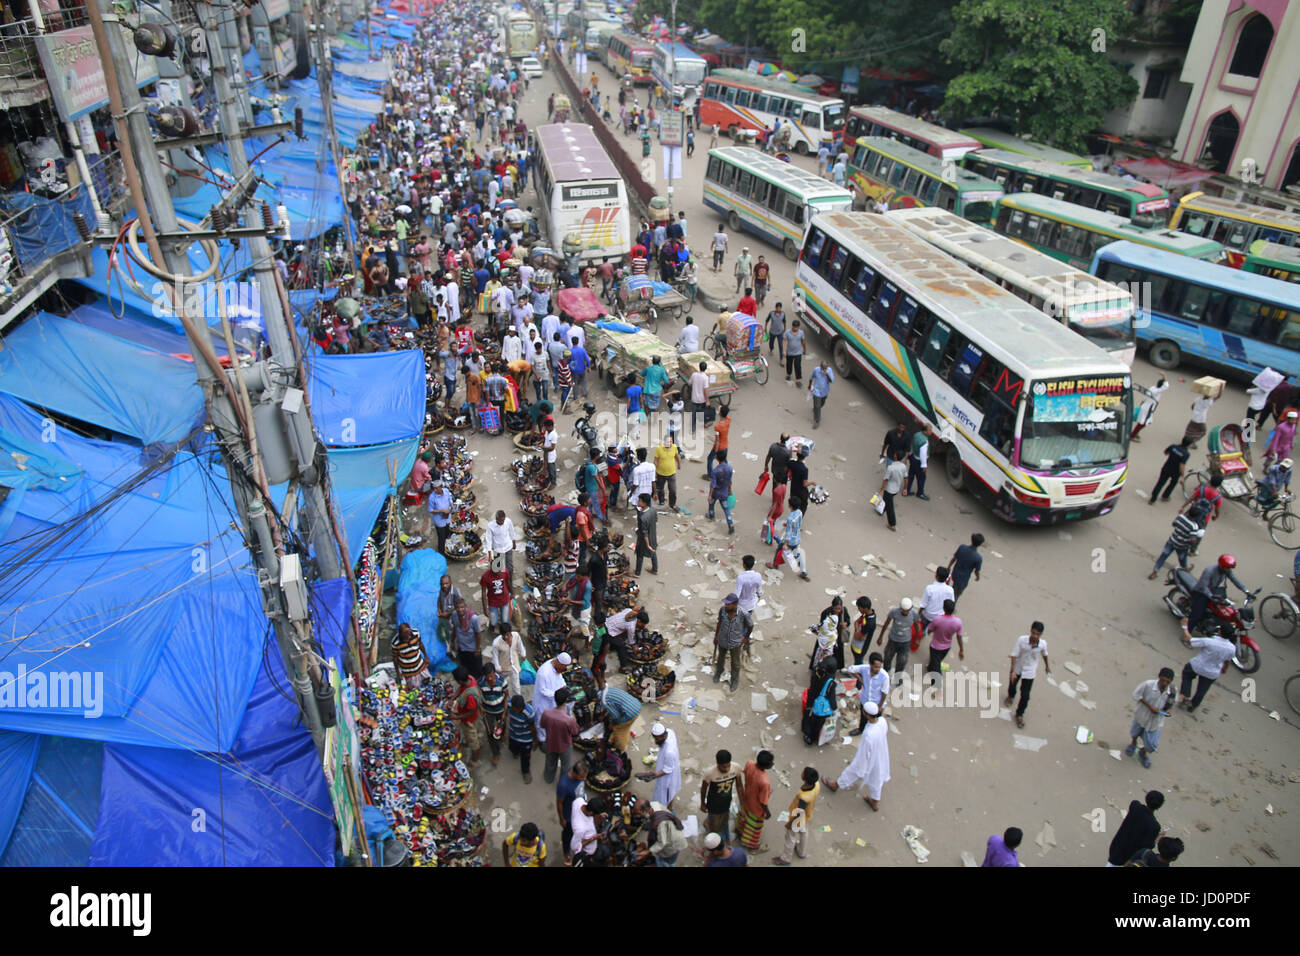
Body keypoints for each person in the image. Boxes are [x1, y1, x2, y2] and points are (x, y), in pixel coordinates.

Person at [824, 701, 890, 810]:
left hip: (868, 757)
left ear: (867, 715)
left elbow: (864, 753)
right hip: (881, 755)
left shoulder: (869, 733)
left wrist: (861, 767)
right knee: (877, 778)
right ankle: (875, 802)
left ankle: (835, 785)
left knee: (852, 771)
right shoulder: (882, 722)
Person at [1176, 616, 1235, 712]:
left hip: (1198, 666)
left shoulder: (1209, 641)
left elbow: (1190, 639)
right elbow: (1228, 660)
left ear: (1220, 631)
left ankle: (1186, 696)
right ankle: (1193, 705)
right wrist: (1224, 668)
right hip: (1212, 672)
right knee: (1202, 690)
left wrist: (1185, 627)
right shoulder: (1232, 648)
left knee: (1187, 674)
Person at [1125, 667, 1177, 769]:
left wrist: (1166, 712)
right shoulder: (1148, 685)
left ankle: (1143, 752)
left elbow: (1170, 707)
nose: (1165, 683)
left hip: (1156, 721)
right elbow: (1136, 695)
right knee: (1135, 732)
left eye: (1168, 681)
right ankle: (1133, 743)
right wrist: (1150, 707)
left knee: (1152, 744)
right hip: (1142, 715)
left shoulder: (1173, 691)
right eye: (1163, 680)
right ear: (1159, 677)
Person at [771, 767, 821, 866]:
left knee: (790, 837)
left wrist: (790, 823)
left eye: (803, 772)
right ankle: (801, 852)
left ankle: (786, 858)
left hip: (797, 819)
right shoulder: (816, 785)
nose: (801, 772)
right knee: (804, 832)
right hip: (807, 816)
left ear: (804, 778)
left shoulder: (804, 797)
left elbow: (799, 812)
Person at [1187, 554, 1249, 633]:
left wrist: (1246, 591)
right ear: (1222, 566)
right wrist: (1211, 597)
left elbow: (1236, 581)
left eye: (1230, 568)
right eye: (1228, 568)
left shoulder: (1226, 571)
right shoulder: (1209, 571)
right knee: (1196, 616)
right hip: (1201, 592)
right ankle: (1186, 635)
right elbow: (1203, 586)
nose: (1229, 570)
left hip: (1213, 592)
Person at [1006, 622, 1050, 729]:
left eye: (1037, 634)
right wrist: (1012, 671)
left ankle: (1019, 714)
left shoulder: (1043, 644)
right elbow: (1014, 655)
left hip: (1030, 671)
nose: (1035, 636)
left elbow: (1045, 654)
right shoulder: (1021, 640)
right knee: (1012, 685)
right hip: (1018, 667)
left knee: (1025, 696)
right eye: (1033, 633)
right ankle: (1011, 696)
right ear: (1030, 630)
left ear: (1041, 634)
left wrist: (1047, 666)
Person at [1106, 790, 1165, 867]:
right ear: (1159, 806)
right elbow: (1147, 846)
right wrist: (1158, 838)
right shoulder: (1154, 826)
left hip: (1117, 846)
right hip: (1129, 856)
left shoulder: (1135, 806)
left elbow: (1136, 802)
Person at [713, 593, 753, 691]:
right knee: (720, 658)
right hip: (722, 639)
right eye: (726, 604)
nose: (726, 606)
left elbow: (750, 625)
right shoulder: (722, 610)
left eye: (728, 604)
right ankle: (718, 672)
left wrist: (745, 638)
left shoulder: (743, 613)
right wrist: (716, 636)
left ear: (734, 604)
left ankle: (734, 680)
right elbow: (719, 622)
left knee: (735, 663)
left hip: (735, 642)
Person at [1149, 510, 1207, 579]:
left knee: (1163, 556)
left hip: (1172, 540)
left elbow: (1173, 524)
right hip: (1182, 546)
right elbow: (1192, 540)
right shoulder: (1194, 526)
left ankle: (1154, 572)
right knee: (1182, 558)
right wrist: (1196, 539)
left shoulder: (1180, 517)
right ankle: (1185, 570)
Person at [540, 686, 580, 784]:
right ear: (566, 700)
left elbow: (543, 725)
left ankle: (548, 778)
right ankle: (562, 782)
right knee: (565, 766)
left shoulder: (546, 713)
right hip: (565, 745)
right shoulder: (569, 720)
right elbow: (575, 732)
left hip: (550, 742)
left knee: (550, 762)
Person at [844, 651, 889, 736]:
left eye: (879, 667)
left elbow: (884, 693)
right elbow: (851, 669)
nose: (878, 669)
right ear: (870, 664)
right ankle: (861, 730)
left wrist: (880, 706)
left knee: (876, 722)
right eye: (876, 667)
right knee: (863, 718)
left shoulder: (884, 676)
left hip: (877, 703)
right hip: (865, 700)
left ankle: (875, 735)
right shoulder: (864, 668)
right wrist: (860, 679)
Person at [700, 750, 741, 842]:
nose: (726, 769)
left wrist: (743, 803)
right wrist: (702, 803)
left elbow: (739, 786)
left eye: (728, 765)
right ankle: (713, 836)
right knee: (715, 827)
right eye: (723, 767)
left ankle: (711, 825)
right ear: (717, 764)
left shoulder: (736, 768)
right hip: (713, 804)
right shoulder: (709, 773)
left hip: (726, 801)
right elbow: (703, 790)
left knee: (724, 820)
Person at [736, 750, 773, 853]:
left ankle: (739, 833)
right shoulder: (764, 782)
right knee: (754, 828)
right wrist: (767, 813)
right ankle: (753, 847)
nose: (773, 764)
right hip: (756, 808)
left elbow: (746, 775)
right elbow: (763, 802)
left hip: (746, 799)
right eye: (771, 762)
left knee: (743, 818)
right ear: (768, 765)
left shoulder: (749, 764)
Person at [532, 652, 571, 742]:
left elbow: (559, 677)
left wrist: (563, 686)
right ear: (558, 662)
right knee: (541, 721)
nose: (563, 670)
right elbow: (542, 690)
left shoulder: (556, 666)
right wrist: (557, 694)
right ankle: (542, 739)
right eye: (563, 667)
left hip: (553, 700)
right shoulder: (543, 672)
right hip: (542, 703)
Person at [555, 760, 588, 863]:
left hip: (581, 809)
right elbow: (559, 802)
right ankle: (566, 852)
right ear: (574, 773)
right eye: (582, 777)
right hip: (569, 815)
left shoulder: (580, 776)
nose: (584, 779)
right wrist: (562, 818)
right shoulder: (563, 785)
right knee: (567, 835)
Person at [767, 501, 808, 580]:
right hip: (797, 537)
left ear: (790, 506)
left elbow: (788, 532)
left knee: (779, 549)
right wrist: (788, 524)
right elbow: (797, 523)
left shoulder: (790, 518)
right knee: (797, 554)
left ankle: (775, 565)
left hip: (790, 540)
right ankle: (804, 571)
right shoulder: (799, 512)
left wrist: (785, 543)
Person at [452, 666, 483, 768]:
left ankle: (475, 761)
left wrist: (457, 717)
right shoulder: (470, 678)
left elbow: (471, 712)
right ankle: (466, 741)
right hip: (466, 716)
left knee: (474, 742)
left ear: (460, 681)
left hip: (468, 720)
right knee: (469, 735)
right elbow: (460, 689)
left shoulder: (470, 696)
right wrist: (452, 698)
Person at [924, 600, 964, 679]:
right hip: (946, 647)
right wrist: (961, 649)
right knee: (937, 660)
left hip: (935, 646)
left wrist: (929, 632)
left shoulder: (937, 619)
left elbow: (930, 630)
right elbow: (959, 636)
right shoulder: (958, 622)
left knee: (936, 665)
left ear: (944, 608)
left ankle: (936, 684)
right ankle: (930, 667)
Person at [479, 661, 508, 767]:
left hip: (501, 709)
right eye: (488, 677)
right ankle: (496, 753)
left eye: (491, 676)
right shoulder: (481, 682)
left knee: (502, 725)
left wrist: (505, 712)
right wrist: (481, 707)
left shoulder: (502, 681)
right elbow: (479, 695)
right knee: (490, 733)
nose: (490, 679)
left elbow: (506, 696)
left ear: (494, 673)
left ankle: (502, 733)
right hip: (488, 711)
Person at [642, 801, 688, 867]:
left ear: (646, 810)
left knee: (668, 862)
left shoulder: (661, 824)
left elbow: (662, 843)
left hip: (673, 845)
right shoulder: (654, 805)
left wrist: (649, 851)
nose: (639, 815)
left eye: (639, 812)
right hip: (672, 833)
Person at [649, 722, 681, 809]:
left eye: (657, 739)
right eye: (655, 738)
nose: (656, 741)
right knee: (670, 791)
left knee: (667, 791)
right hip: (668, 762)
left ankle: (669, 808)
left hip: (669, 772)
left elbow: (668, 770)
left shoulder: (669, 751)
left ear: (663, 736)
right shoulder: (670, 732)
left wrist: (653, 775)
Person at [600, 685, 641, 751]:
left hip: (631, 713)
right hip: (636, 704)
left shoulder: (603, 701)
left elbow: (616, 716)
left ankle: (620, 749)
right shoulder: (605, 689)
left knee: (618, 728)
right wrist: (603, 713)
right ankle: (613, 738)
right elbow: (610, 703)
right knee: (625, 728)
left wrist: (612, 723)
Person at [492, 623, 527, 699]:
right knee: (500, 685)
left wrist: (523, 654)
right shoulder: (496, 643)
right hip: (503, 668)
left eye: (508, 634)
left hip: (514, 666)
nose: (506, 637)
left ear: (511, 632)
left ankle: (517, 701)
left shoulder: (516, 636)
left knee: (517, 688)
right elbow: (495, 657)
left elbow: (520, 645)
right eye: (504, 635)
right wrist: (498, 668)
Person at [948, 533, 985, 605]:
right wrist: (978, 577)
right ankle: (949, 608)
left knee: (953, 589)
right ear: (980, 544)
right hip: (963, 579)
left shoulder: (962, 547)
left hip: (955, 573)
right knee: (955, 595)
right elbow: (976, 571)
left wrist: (949, 566)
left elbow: (954, 558)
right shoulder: (978, 558)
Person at [569, 794, 607, 863]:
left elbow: (589, 820)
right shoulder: (580, 829)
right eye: (596, 814)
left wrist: (599, 816)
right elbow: (574, 847)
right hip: (587, 851)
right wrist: (594, 838)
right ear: (591, 813)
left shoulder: (579, 801)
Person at [392, 622, 430, 687]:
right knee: (415, 689)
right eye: (405, 636)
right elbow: (395, 658)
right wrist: (398, 672)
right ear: (400, 634)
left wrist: (426, 657)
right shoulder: (395, 643)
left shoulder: (416, 633)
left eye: (408, 634)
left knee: (429, 684)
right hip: (408, 671)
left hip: (420, 666)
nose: (408, 637)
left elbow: (420, 644)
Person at [479, 556, 513, 628]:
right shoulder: (485, 577)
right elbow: (483, 593)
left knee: (505, 621)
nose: (497, 573)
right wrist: (485, 608)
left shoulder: (505, 571)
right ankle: (492, 626)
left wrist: (512, 593)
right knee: (494, 622)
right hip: (493, 602)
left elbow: (508, 583)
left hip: (504, 599)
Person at [707, 449, 735, 532]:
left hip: (715, 492)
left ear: (717, 458)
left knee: (711, 504)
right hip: (724, 492)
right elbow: (730, 481)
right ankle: (730, 523)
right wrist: (730, 490)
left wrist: (710, 495)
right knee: (726, 509)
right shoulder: (729, 469)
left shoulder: (715, 471)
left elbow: (713, 485)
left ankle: (711, 515)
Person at [879, 450, 907, 532]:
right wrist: (905, 488)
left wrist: (881, 489)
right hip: (896, 489)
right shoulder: (903, 466)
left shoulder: (890, 468)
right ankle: (881, 510)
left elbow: (886, 480)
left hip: (889, 489)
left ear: (895, 456)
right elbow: (906, 478)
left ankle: (892, 524)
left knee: (890, 507)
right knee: (886, 500)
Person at [484, 510, 516, 579]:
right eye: (500, 521)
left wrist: (514, 543)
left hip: (508, 547)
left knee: (509, 567)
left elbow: (512, 532)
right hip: (497, 548)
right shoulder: (490, 526)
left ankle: (509, 581)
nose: (502, 522)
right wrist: (489, 554)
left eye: (503, 520)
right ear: (496, 519)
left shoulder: (508, 521)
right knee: (496, 568)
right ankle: (497, 581)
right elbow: (488, 540)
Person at [653, 433, 681, 511]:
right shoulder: (659, 449)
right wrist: (655, 471)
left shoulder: (674, 447)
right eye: (668, 442)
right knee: (660, 488)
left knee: (673, 490)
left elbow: (676, 456)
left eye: (671, 441)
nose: (669, 443)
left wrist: (679, 464)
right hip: (660, 473)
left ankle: (672, 504)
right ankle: (661, 501)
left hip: (672, 473)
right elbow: (655, 460)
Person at [634, 493, 659, 575]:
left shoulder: (643, 517)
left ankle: (637, 573)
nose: (638, 502)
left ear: (644, 503)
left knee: (640, 554)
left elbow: (644, 533)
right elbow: (655, 520)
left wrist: (647, 545)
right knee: (653, 551)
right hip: (653, 535)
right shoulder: (653, 510)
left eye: (640, 501)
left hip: (644, 539)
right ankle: (655, 569)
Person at [906, 423, 932, 499]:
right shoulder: (924, 441)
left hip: (913, 458)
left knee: (911, 475)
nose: (931, 432)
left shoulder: (917, 434)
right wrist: (924, 465)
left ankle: (907, 490)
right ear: (925, 431)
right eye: (930, 430)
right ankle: (920, 493)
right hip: (919, 462)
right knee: (921, 478)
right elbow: (923, 455)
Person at [427, 478, 453, 553]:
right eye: (434, 488)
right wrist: (441, 510)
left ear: (441, 487)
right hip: (439, 521)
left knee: (447, 534)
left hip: (447, 518)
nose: (435, 490)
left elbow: (449, 498)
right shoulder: (432, 497)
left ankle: (447, 549)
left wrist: (451, 504)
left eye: (436, 488)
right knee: (441, 538)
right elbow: (430, 510)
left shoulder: (446, 491)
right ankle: (442, 553)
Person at [705, 405, 731, 479]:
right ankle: (727, 473)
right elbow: (725, 414)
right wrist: (721, 409)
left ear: (720, 413)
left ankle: (710, 476)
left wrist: (716, 452)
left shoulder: (718, 427)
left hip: (719, 447)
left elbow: (717, 440)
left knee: (710, 459)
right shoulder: (728, 420)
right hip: (725, 445)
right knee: (724, 460)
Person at [850, 597, 877, 666]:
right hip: (856, 644)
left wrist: (856, 632)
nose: (858, 609)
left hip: (860, 648)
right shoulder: (866, 614)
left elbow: (858, 636)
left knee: (858, 664)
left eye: (859, 608)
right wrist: (857, 630)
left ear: (865, 608)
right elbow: (856, 622)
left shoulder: (869, 623)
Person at [808, 360, 833, 428]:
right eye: (823, 368)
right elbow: (811, 377)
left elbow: (831, 381)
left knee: (822, 403)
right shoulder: (816, 370)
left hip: (824, 391)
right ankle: (817, 421)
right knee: (817, 406)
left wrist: (827, 374)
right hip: (817, 391)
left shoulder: (829, 371)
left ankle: (816, 409)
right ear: (820, 367)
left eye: (825, 368)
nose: (824, 369)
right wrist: (809, 385)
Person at [689, 361, 710, 436]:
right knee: (704, 412)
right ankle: (705, 423)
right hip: (702, 400)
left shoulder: (694, 374)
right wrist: (707, 400)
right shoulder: (705, 378)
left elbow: (690, 384)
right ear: (706, 368)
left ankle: (692, 430)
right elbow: (706, 390)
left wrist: (694, 389)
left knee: (693, 415)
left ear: (699, 367)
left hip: (694, 398)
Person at [783, 319, 806, 385]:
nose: (795, 328)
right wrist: (784, 351)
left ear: (798, 327)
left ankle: (798, 380)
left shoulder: (801, 333)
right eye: (794, 326)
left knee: (797, 365)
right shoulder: (787, 332)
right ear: (792, 326)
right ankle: (788, 374)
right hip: (789, 352)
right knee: (789, 364)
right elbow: (784, 341)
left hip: (798, 352)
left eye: (796, 327)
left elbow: (803, 342)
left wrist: (804, 350)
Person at [542, 416, 558, 489]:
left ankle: (553, 483)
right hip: (546, 452)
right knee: (547, 466)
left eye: (546, 427)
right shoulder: (547, 432)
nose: (545, 428)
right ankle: (549, 478)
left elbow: (552, 448)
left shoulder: (554, 435)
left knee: (552, 470)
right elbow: (545, 439)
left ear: (551, 426)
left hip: (550, 454)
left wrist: (544, 447)